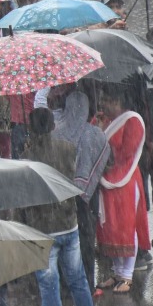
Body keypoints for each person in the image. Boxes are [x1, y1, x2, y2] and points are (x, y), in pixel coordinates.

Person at [21, 108, 100, 306]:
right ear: (54, 126)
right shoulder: (67, 149)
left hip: (43, 232)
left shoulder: (27, 158)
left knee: (49, 287)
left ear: (31, 129)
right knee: (78, 282)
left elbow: (24, 199)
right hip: (69, 224)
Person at [95, 86, 150, 294]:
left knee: (127, 226)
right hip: (106, 181)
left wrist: (104, 146)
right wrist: (98, 130)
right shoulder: (102, 120)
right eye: (104, 100)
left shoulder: (132, 121)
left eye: (109, 101)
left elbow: (126, 153)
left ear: (120, 103)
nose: (105, 105)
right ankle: (117, 272)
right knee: (111, 227)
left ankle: (127, 275)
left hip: (125, 181)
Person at [53, 90, 111, 286]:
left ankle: (66, 283)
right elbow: (105, 158)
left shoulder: (56, 131)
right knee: (86, 239)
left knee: (65, 240)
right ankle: (86, 281)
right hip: (87, 199)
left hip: (62, 196)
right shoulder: (95, 134)